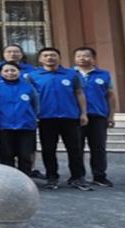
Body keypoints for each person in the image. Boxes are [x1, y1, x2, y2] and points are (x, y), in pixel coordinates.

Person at [30, 47, 92, 191]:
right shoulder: (33, 76)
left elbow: (79, 93)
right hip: (45, 118)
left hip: (69, 117)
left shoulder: (72, 74)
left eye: (53, 55)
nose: (49, 58)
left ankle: (77, 177)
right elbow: (30, 98)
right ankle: (52, 177)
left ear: (59, 58)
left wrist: (83, 113)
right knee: (48, 149)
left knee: (75, 149)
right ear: (40, 59)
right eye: (46, 55)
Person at [74, 47, 117, 187]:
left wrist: (111, 116)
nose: (82, 58)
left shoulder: (104, 75)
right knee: (76, 148)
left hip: (98, 116)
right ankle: (78, 176)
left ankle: (99, 176)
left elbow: (110, 96)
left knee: (98, 147)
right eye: (79, 56)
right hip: (75, 117)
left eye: (86, 56)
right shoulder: (70, 74)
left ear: (93, 58)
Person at [0, 62, 39, 175]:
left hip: (26, 126)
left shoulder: (28, 86)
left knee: (25, 155)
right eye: (6, 71)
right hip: (3, 126)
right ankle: (8, 179)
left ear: (19, 72)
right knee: (6, 155)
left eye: (13, 70)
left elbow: (36, 104)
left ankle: (25, 178)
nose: (10, 73)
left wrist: (33, 117)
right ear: (0, 73)